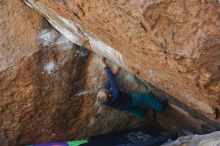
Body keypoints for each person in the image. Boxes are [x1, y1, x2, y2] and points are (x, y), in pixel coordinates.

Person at [97, 56, 167, 119]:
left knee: (132, 109)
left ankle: (141, 114)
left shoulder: (104, 100)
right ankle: (160, 107)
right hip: (130, 100)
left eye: (103, 90)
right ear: (109, 94)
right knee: (144, 97)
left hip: (122, 107)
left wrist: (113, 74)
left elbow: (108, 84)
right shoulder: (116, 93)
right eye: (105, 90)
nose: (104, 88)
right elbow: (111, 80)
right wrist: (102, 62)